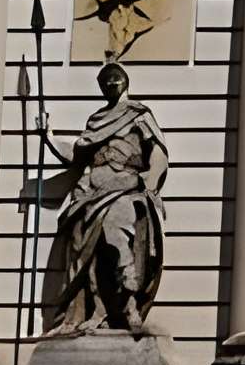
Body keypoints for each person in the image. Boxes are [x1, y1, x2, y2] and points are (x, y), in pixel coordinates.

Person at [38, 60, 169, 339]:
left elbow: (158, 152)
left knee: (116, 230)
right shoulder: (96, 121)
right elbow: (77, 155)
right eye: (105, 79)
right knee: (79, 245)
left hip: (124, 187)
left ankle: (129, 305)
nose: (110, 82)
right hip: (91, 192)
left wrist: (151, 181)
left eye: (115, 77)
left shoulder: (138, 114)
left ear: (125, 81)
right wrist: (48, 136)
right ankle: (88, 311)